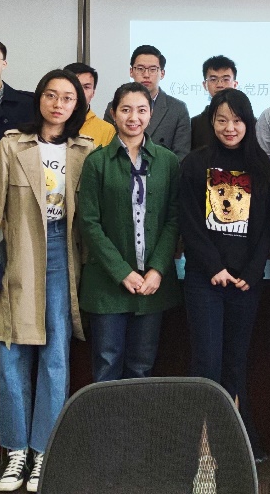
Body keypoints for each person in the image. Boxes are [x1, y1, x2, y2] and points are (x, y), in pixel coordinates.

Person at [0, 70, 95, 493]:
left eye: (67, 98)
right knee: (12, 353)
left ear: (77, 105)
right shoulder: (12, 144)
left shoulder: (85, 150)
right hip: (18, 250)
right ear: (39, 99)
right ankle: (15, 451)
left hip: (64, 253)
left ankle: (43, 450)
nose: (58, 104)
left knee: (56, 355)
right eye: (51, 95)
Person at [178, 88, 270, 457]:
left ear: (247, 122)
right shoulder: (195, 163)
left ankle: (236, 444)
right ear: (211, 123)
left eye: (236, 120)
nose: (229, 127)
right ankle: (201, 446)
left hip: (246, 282)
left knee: (236, 362)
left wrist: (252, 270)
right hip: (205, 281)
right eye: (221, 120)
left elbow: (266, 226)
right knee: (206, 362)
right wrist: (214, 267)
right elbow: (189, 221)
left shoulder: (261, 166)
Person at [79, 82, 181, 383]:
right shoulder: (97, 162)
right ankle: (106, 419)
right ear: (113, 113)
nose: (133, 117)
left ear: (151, 114)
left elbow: (174, 219)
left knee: (141, 368)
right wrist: (122, 272)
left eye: (141, 110)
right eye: (125, 110)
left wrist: (157, 270)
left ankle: (136, 420)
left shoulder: (167, 161)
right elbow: (89, 222)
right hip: (107, 283)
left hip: (152, 285)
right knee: (106, 365)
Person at [104, 45, 191, 159]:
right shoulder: (115, 107)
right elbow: (109, 149)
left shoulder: (178, 109)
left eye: (153, 69)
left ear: (162, 73)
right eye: (140, 69)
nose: (146, 75)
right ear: (131, 71)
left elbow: (181, 155)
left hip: (163, 169)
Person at [189, 56, 238, 150]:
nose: (220, 85)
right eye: (213, 79)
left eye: (226, 79)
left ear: (235, 84)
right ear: (205, 85)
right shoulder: (194, 124)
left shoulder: (249, 121)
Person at [64, 62, 116, 149]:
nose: (80, 92)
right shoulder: (50, 122)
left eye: (86, 87)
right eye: (75, 85)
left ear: (93, 93)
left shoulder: (106, 130)